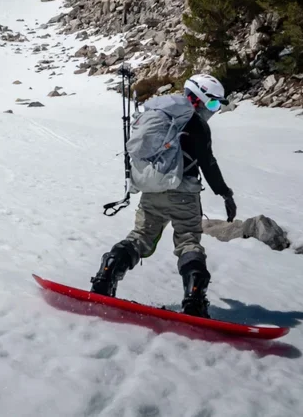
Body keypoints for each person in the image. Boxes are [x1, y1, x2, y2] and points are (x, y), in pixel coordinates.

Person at [90, 73, 236, 318]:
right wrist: (225, 193)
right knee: (188, 242)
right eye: (212, 104)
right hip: (184, 194)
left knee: (140, 237)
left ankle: (107, 274)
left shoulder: (160, 114)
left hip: (153, 189)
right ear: (197, 97)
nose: (213, 110)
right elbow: (208, 163)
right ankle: (194, 300)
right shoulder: (196, 124)